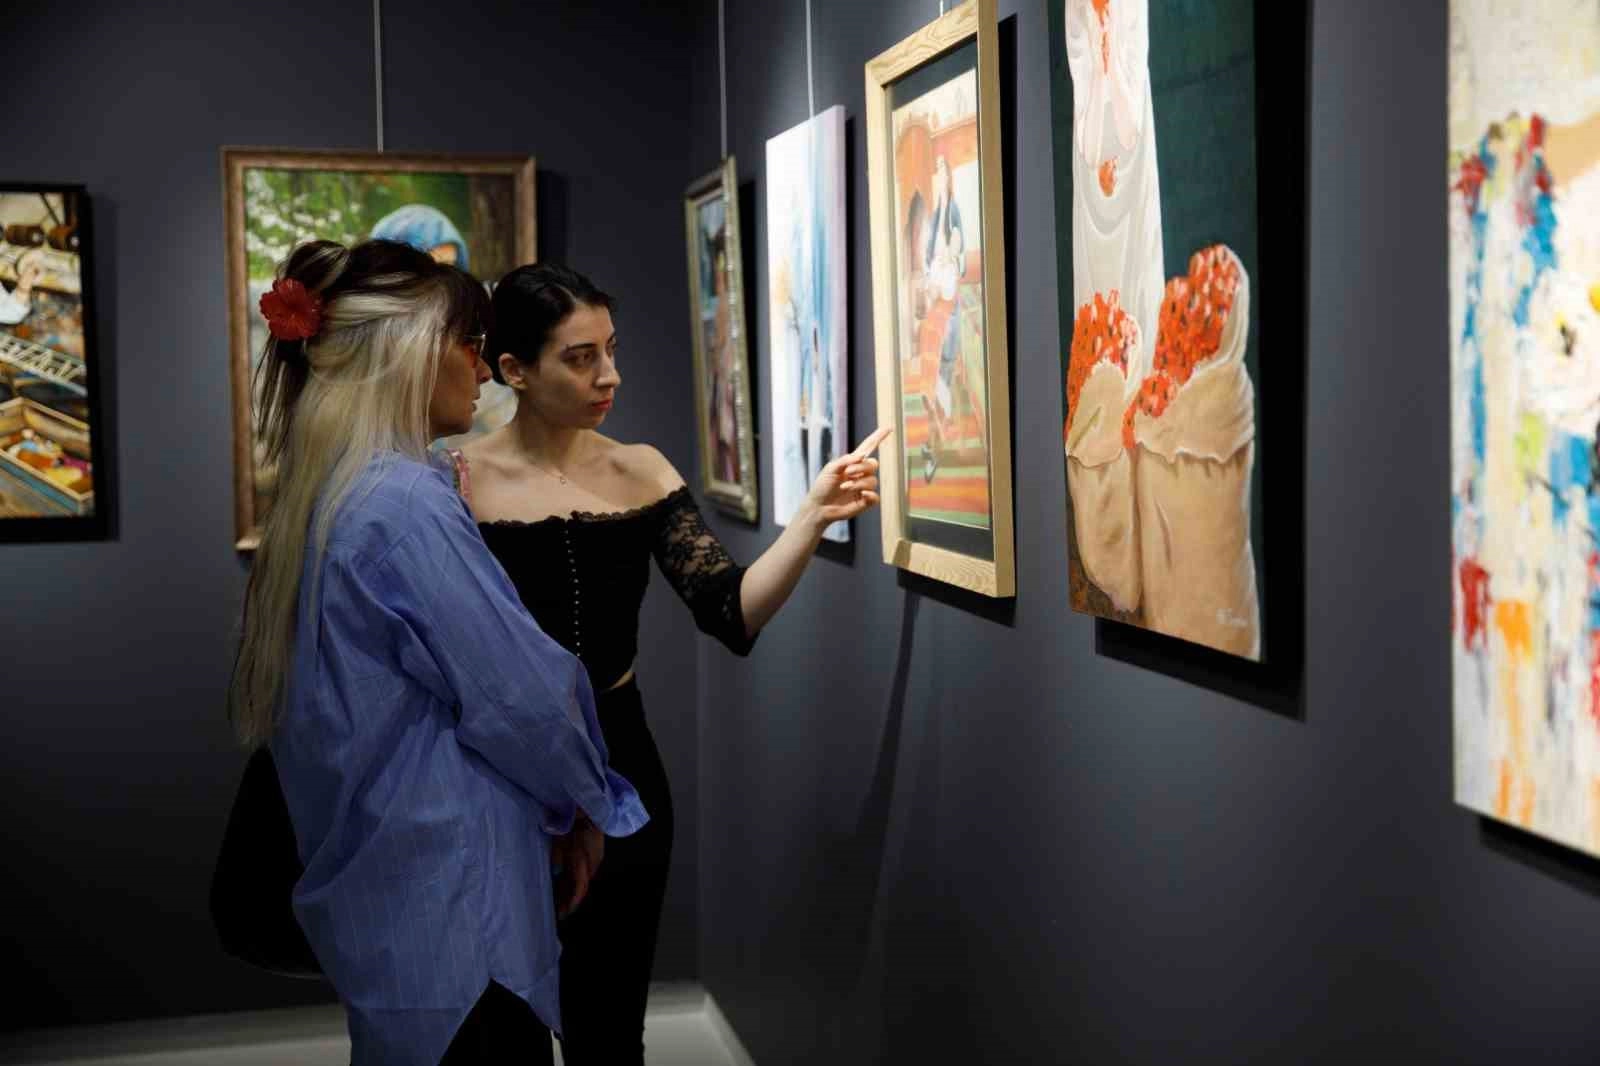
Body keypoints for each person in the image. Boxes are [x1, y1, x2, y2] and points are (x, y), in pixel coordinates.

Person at [441, 261, 889, 1065]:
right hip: (497, 774)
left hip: (623, 763)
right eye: (580, 357)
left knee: (610, 1031)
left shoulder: (641, 470)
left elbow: (730, 612)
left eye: (611, 350)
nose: (609, 375)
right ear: (513, 369)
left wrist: (813, 517)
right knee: (500, 1033)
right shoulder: (455, 483)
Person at [227, 239, 647, 1066]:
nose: (482, 370)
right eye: (468, 344)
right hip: (459, 910)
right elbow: (523, 696)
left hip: (390, 900)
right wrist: (588, 801)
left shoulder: (331, 490)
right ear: (409, 350)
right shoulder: (403, 504)